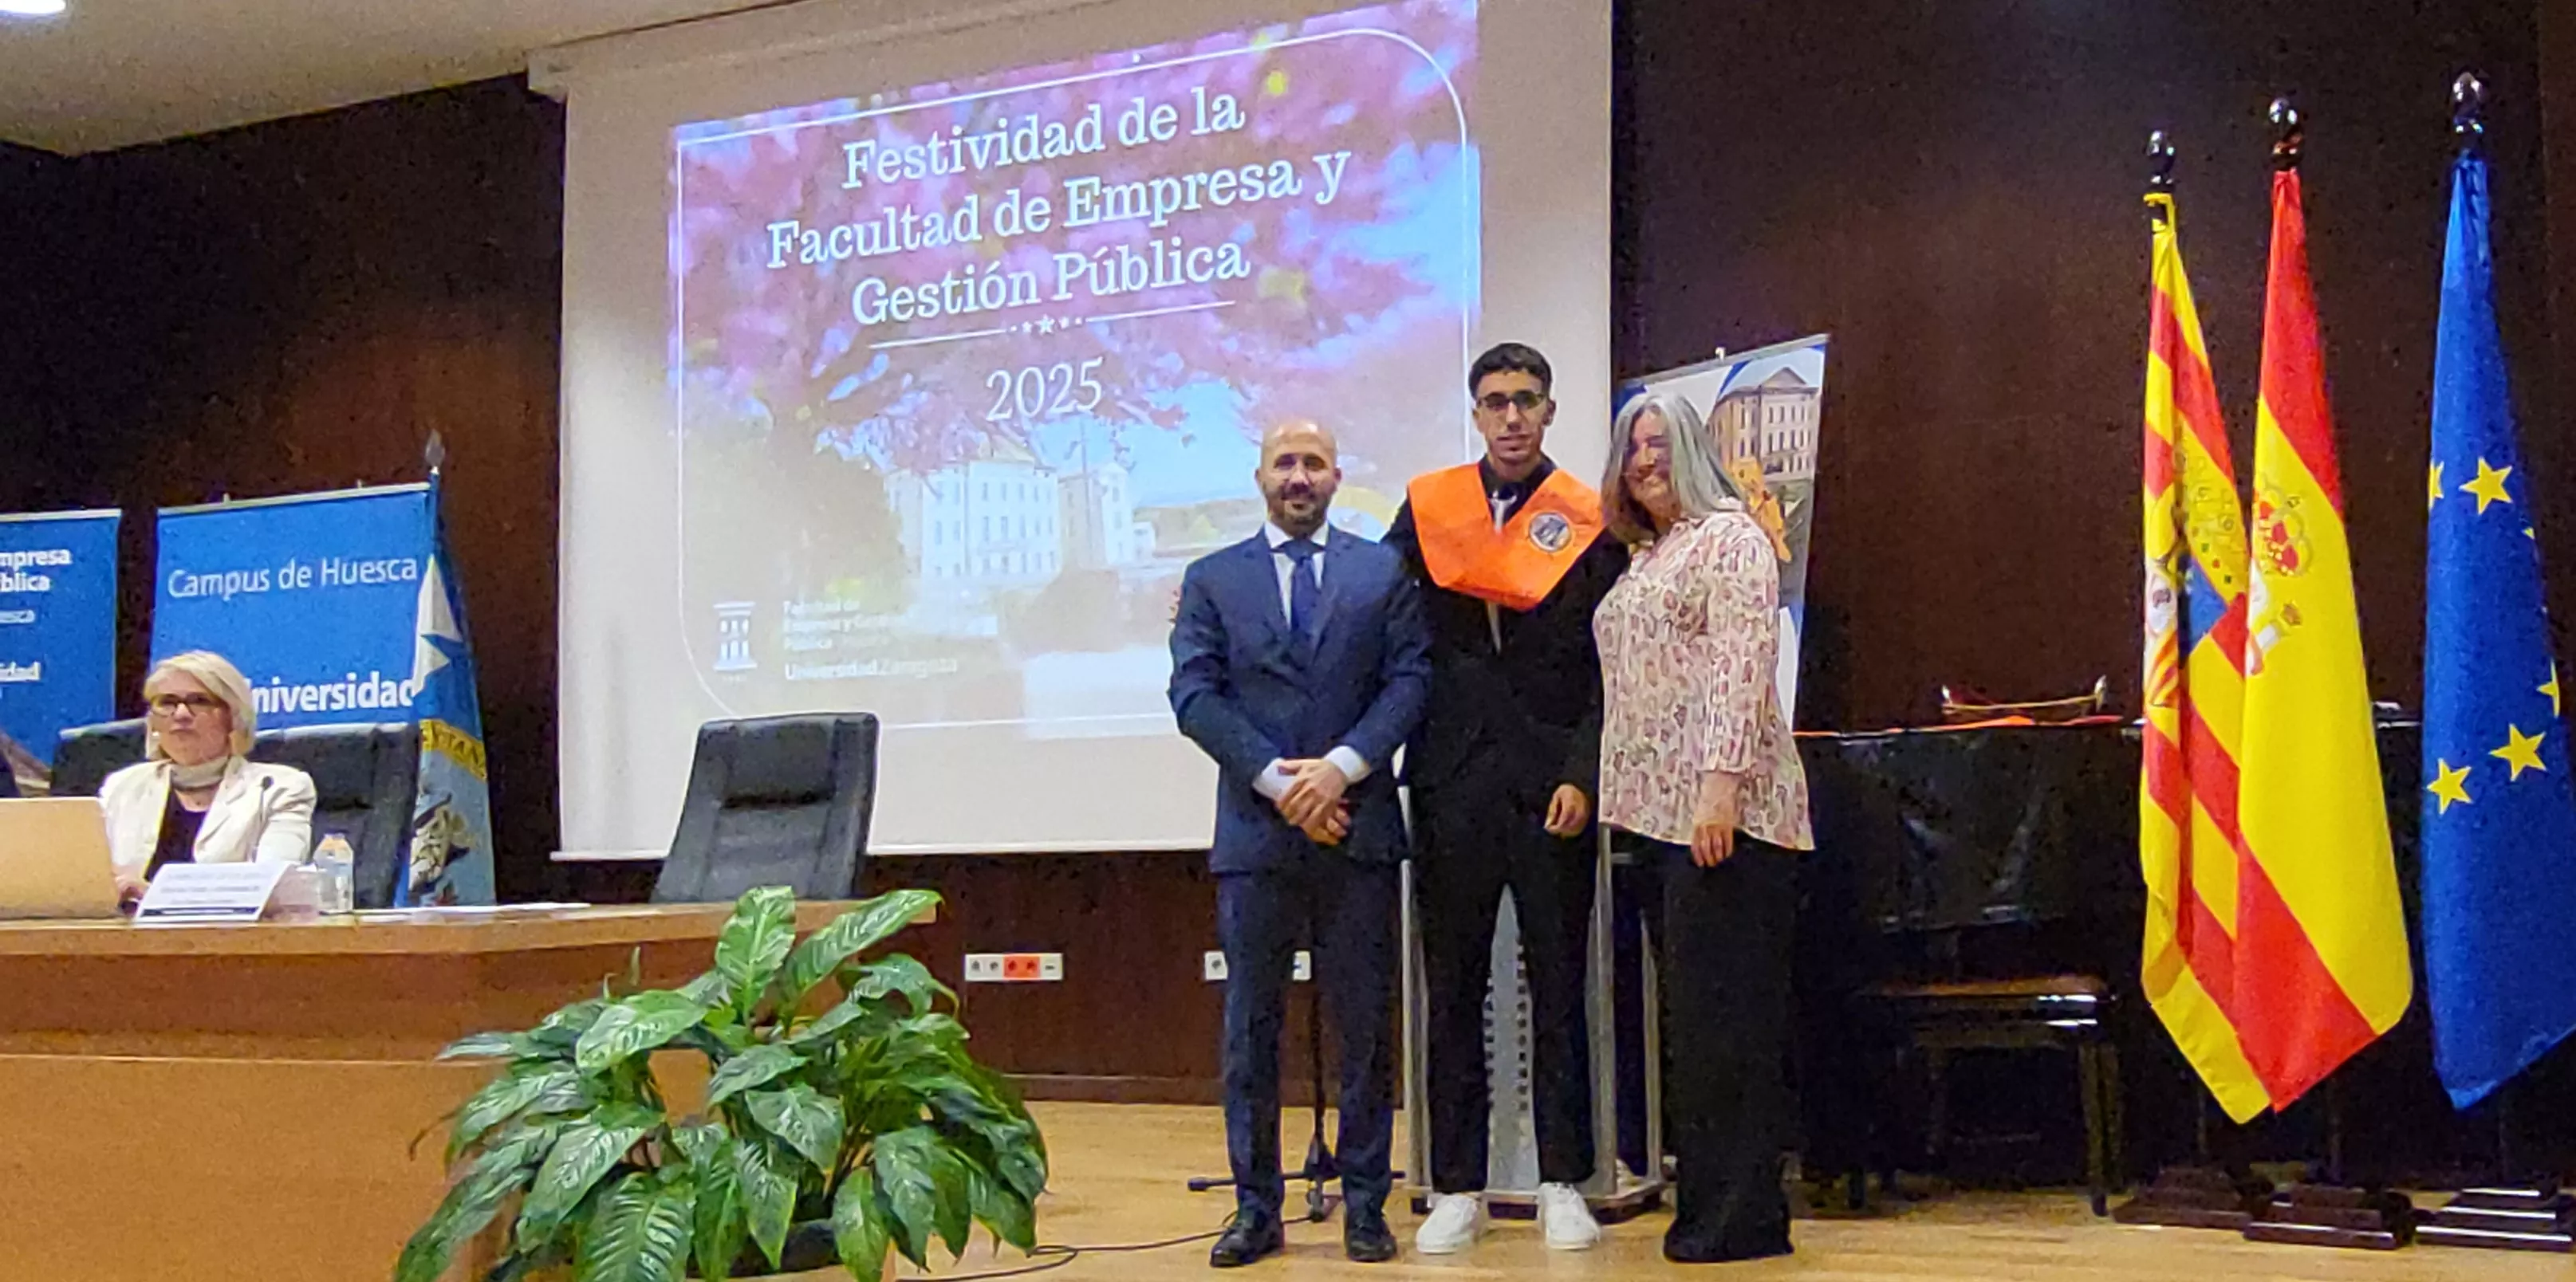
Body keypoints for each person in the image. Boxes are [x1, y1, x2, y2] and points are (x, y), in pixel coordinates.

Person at [1168, 420, 1431, 1268]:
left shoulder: (1379, 570)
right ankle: (1254, 1209)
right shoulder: (1211, 579)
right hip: (1256, 836)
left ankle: (1364, 1205)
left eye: (1312, 463)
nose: (1298, 476)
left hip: (1357, 832)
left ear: (1335, 477)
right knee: (1251, 1035)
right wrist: (1284, 786)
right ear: (1258, 477)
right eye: (1284, 462)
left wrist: (1342, 770)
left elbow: (1410, 682)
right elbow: (1194, 696)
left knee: (1364, 1031)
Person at [1383, 342, 1627, 1253]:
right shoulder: (1425, 510)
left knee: (1557, 982)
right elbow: (1374, 610)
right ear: (1475, 414)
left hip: (1550, 786)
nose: (1511, 416)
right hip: (1449, 781)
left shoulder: (1585, 518)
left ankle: (1565, 1178)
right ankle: (1457, 1185)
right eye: (1494, 402)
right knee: (1452, 989)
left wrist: (1583, 771)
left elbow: (1612, 667)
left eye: (1526, 400)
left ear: (1550, 411)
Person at [1593, 391, 1813, 1264]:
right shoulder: (1647, 554)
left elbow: (1738, 666)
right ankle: (1720, 1209)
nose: (1644, 459)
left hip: (1723, 819)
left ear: (1690, 451)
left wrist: (1717, 788)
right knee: (1694, 1029)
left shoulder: (1728, 536)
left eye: (1658, 444)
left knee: (1726, 1030)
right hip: (1656, 822)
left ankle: (1738, 1220)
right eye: (1631, 447)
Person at [100, 651, 317, 905]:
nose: (181, 714)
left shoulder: (279, 788)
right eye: (167, 703)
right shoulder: (122, 786)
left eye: (199, 701)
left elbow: (272, 884)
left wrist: (154, 895)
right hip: (125, 939)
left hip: (232, 940)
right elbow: (90, 877)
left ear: (233, 717)